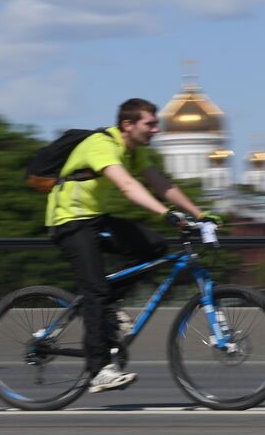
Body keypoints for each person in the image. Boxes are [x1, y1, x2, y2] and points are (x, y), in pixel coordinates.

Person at [46, 98, 219, 393]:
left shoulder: (134, 151)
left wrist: (198, 213)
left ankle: (106, 309)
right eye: (150, 124)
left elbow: (160, 183)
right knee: (96, 290)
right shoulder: (102, 145)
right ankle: (98, 370)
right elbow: (127, 186)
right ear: (128, 125)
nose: (156, 130)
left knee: (155, 248)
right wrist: (165, 214)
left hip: (95, 219)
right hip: (68, 220)